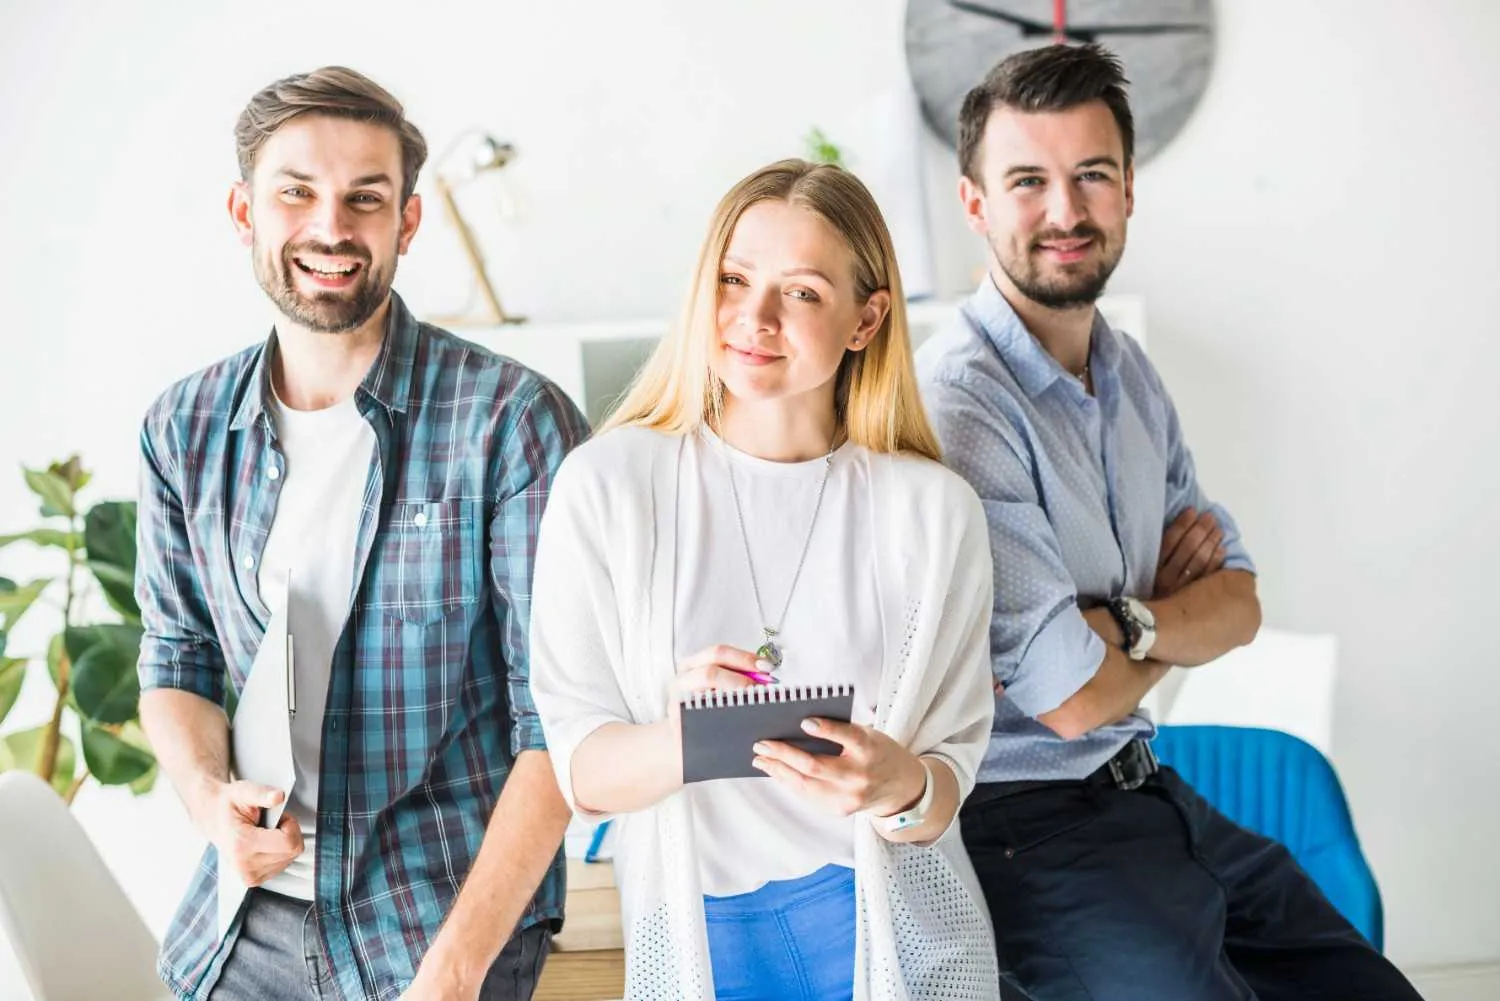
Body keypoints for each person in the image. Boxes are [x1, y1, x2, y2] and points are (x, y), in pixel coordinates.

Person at [916, 43, 1423, 1001]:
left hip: (1147, 785)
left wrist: (1123, 628)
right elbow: (1066, 700)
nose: (1065, 212)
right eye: (1028, 181)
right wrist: (1160, 617)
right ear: (975, 204)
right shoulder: (964, 406)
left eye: (1091, 175)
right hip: (1029, 829)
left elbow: (1238, 599)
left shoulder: (1128, 375)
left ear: (1129, 190)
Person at [135, 66, 589, 1001]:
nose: (331, 228)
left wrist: (457, 971)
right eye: (296, 192)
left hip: (435, 926)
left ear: (407, 223)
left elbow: (558, 721)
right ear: (244, 210)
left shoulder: (511, 422)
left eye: (365, 199)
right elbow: (174, 657)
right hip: (241, 927)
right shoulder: (180, 427)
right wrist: (210, 800)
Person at [528, 159, 999, 1000]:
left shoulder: (935, 512)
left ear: (867, 318)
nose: (755, 318)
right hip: (703, 933)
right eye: (734, 278)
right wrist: (685, 734)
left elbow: (944, 787)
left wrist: (899, 783)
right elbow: (582, 773)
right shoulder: (607, 485)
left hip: (888, 929)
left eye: (805, 292)